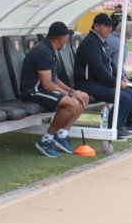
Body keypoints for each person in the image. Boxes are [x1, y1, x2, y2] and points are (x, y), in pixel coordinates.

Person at [18, 21, 90, 157]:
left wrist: (73, 91)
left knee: (83, 96)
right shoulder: (43, 51)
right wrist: (70, 94)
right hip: (33, 91)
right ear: (61, 38)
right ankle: (46, 140)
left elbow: (54, 79)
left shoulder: (50, 49)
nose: (67, 40)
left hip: (42, 89)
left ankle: (61, 136)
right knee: (72, 103)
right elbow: (47, 84)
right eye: (67, 37)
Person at [75, 13, 132, 139]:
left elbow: (109, 64)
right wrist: (115, 82)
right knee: (125, 97)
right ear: (96, 26)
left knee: (131, 93)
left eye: (110, 26)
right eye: (106, 26)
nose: (109, 29)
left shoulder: (99, 41)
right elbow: (98, 69)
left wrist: (120, 78)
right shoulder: (91, 43)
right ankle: (113, 129)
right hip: (87, 84)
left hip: (96, 82)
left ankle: (119, 127)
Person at [105, 17, 132, 135]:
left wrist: (124, 75)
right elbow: (116, 64)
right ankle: (128, 122)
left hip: (108, 75)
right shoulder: (120, 44)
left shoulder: (110, 38)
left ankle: (127, 122)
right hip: (111, 78)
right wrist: (123, 77)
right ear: (129, 34)